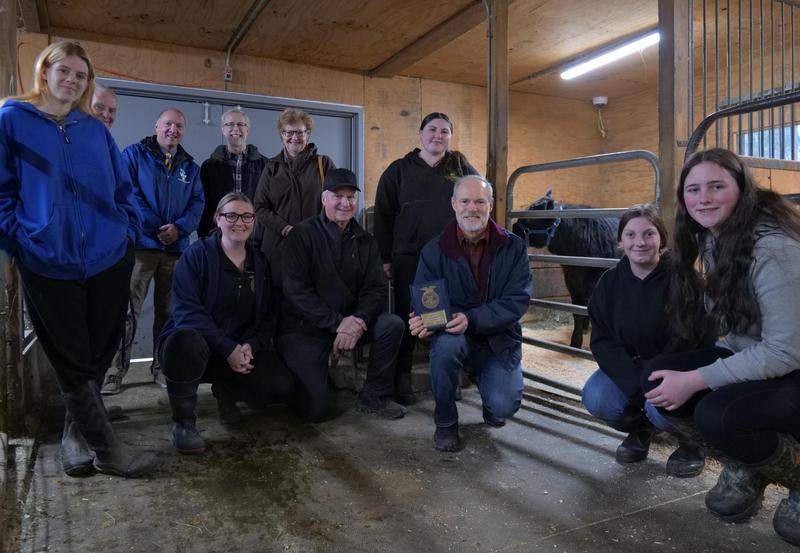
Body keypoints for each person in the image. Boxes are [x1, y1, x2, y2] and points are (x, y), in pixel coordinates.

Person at [0, 41, 157, 478]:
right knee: (70, 357)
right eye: (63, 71)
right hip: (48, 261)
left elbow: (122, 190)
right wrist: (23, 243)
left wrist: (125, 231)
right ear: (44, 71)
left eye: (81, 75)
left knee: (100, 349)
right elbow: (2, 193)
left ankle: (74, 437)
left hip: (108, 257)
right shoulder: (11, 119)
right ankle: (108, 451)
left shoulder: (93, 129)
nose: (71, 80)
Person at [643, 148, 800, 546]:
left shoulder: (774, 249)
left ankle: (796, 476)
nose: (704, 198)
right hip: (766, 358)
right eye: (693, 189)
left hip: (792, 364)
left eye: (717, 186)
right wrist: (702, 370)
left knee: (717, 413)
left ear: (742, 189)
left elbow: (785, 351)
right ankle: (748, 463)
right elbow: (738, 333)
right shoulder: (717, 240)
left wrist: (698, 378)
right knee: (658, 381)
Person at [158, 192, 294, 454]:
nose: (239, 222)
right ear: (217, 219)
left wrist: (249, 347)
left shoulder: (260, 262)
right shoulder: (196, 256)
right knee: (184, 341)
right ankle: (184, 424)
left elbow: (267, 316)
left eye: (246, 216)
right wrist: (227, 348)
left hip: (238, 347)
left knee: (280, 384)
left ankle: (227, 390)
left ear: (254, 221)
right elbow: (187, 311)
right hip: (200, 347)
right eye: (231, 215)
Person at [409, 175, 531, 452]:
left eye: (479, 201)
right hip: (454, 335)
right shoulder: (434, 250)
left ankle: (490, 400)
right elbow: (426, 295)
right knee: (445, 348)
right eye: (465, 201)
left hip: (498, 339)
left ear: (490, 204)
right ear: (454, 204)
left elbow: (517, 300)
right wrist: (422, 318)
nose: (471, 208)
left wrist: (472, 319)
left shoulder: (512, 247)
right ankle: (446, 423)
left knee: (504, 406)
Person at [582, 205, 706, 476]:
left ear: (661, 238)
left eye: (649, 234)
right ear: (620, 241)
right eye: (630, 235)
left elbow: (692, 336)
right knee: (597, 397)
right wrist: (634, 381)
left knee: (661, 407)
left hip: (675, 370)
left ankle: (691, 442)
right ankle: (641, 429)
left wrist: (654, 378)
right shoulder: (609, 284)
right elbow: (602, 340)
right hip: (633, 368)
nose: (640, 242)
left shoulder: (685, 279)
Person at [277, 168, 406, 423]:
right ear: (324, 199)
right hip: (306, 328)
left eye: (351, 197)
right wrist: (337, 323)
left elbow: (375, 289)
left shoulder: (366, 241)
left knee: (392, 324)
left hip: (350, 323)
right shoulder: (301, 236)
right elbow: (296, 291)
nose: (345, 203)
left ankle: (375, 395)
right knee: (315, 411)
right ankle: (314, 380)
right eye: (338, 196)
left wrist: (358, 321)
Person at [374, 112, 479, 405]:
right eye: (432, 129)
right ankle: (402, 378)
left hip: (452, 255)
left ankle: (449, 377)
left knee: (450, 316)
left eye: (445, 131)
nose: (438, 136)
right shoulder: (399, 170)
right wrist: (385, 257)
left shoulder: (459, 166)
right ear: (420, 134)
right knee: (413, 316)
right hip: (410, 256)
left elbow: (477, 198)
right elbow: (382, 215)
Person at [101, 108, 204, 394]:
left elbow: (197, 204)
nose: (173, 130)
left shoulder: (190, 167)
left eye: (179, 126)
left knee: (169, 312)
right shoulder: (133, 156)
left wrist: (180, 229)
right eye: (168, 123)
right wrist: (159, 227)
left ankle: (162, 367)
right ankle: (114, 371)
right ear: (156, 125)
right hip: (142, 248)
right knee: (127, 310)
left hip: (176, 251)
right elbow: (128, 194)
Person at [254, 107, 335, 283]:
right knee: (278, 303)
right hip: (277, 249)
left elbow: (335, 204)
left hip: (314, 246)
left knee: (311, 300)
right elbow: (260, 207)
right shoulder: (271, 168)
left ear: (308, 134)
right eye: (288, 132)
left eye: (300, 132)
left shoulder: (323, 164)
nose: (294, 137)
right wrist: (286, 229)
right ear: (281, 135)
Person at [197, 108, 267, 237]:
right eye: (230, 124)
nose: (236, 129)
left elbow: (269, 205)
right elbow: (203, 206)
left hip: (254, 237)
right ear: (222, 129)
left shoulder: (265, 166)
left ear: (248, 130)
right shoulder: (209, 166)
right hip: (218, 236)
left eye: (241, 124)